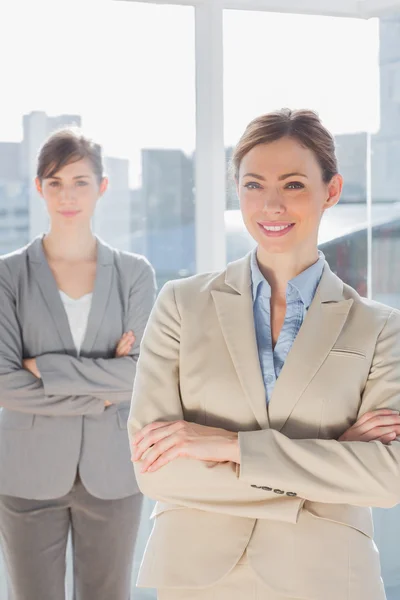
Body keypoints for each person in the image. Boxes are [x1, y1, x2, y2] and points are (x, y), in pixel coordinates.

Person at [129, 109, 400, 600]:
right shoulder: (181, 305)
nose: (271, 204)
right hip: (197, 579)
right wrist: (332, 461)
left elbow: (388, 476)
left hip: (329, 578)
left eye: (293, 184)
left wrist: (227, 446)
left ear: (331, 191)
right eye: (254, 185)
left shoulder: (380, 327)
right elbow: (155, 467)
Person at [0, 129, 156, 600]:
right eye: (55, 182)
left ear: (102, 187)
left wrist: (44, 367)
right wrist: (102, 392)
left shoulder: (134, 274)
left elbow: (144, 377)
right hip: (26, 474)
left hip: (113, 474)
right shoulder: (8, 275)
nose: (67, 195)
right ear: (39, 187)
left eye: (80, 182)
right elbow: (5, 384)